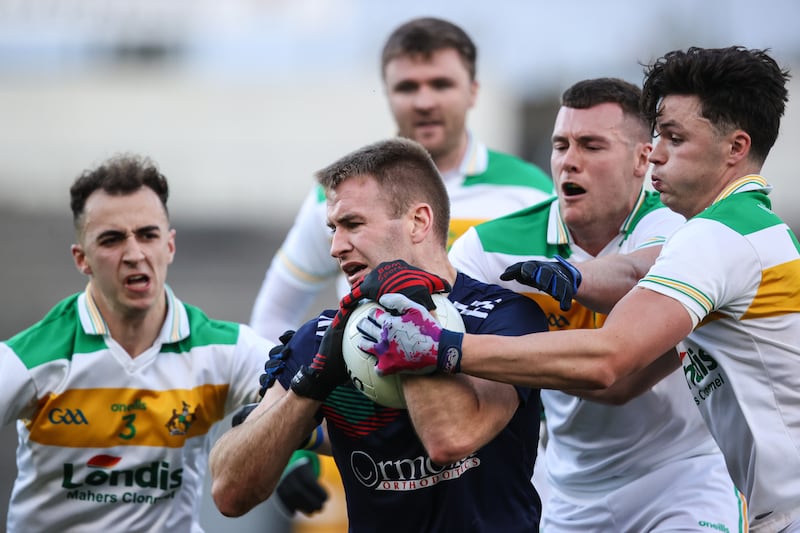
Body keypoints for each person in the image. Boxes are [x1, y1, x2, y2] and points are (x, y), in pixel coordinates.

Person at [357, 46, 799, 532]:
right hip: (574, 493)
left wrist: (445, 348)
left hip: (699, 485)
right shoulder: (744, 228)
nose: (660, 154)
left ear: (736, 148)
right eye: (561, 144)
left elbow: (610, 364)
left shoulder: (711, 235)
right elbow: (634, 275)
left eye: (674, 138)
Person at [448, 77, 744, 531]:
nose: (569, 161)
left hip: (684, 474)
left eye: (591, 145)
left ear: (643, 158)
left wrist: (484, 353)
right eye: (560, 145)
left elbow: (618, 380)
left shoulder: (684, 228)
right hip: (566, 490)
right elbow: (433, 339)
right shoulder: (488, 249)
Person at [209, 138, 550, 531]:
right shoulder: (323, 335)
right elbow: (228, 493)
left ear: (418, 222)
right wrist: (309, 386)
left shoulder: (505, 316)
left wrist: (405, 312)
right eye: (332, 228)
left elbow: (450, 439)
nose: (336, 247)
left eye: (353, 224)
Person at [0, 155, 274, 533]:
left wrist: (290, 459)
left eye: (147, 235)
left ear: (170, 246)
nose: (134, 254)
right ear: (82, 259)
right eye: (112, 240)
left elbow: (313, 403)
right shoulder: (29, 358)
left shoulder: (223, 349)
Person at [249, 16, 553, 343]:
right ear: (388, 94)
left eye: (441, 84)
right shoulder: (337, 196)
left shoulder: (530, 192)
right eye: (407, 87)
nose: (424, 102)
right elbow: (273, 314)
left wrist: (543, 394)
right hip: (368, 390)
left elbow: (566, 318)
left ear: (473, 92)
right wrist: (287, 383)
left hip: (492, 392)